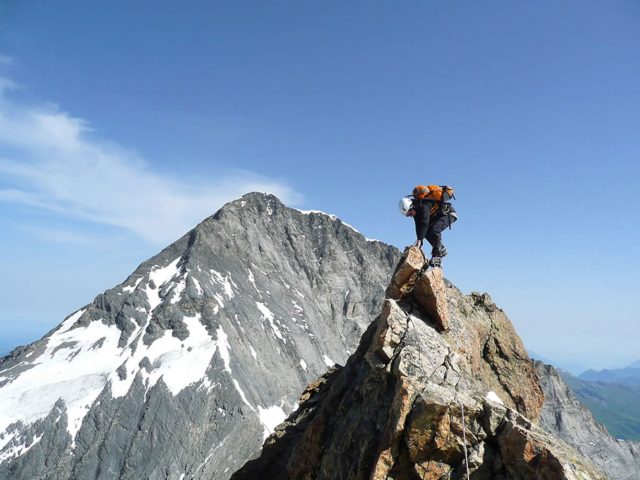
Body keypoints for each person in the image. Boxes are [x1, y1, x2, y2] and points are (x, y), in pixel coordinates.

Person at [404, 185, 457, 266]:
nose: (410, 215)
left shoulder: (423, 205)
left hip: (449, 214)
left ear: (411, 207)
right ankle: (441, 249)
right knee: (425, 232)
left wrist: (419, 240)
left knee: (435, 229)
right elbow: (419, 226)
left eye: (409, 213)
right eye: (407, 215)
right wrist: (419, 239)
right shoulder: (417, 210)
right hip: (440, 215)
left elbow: (425, 222)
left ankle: (437, 256)